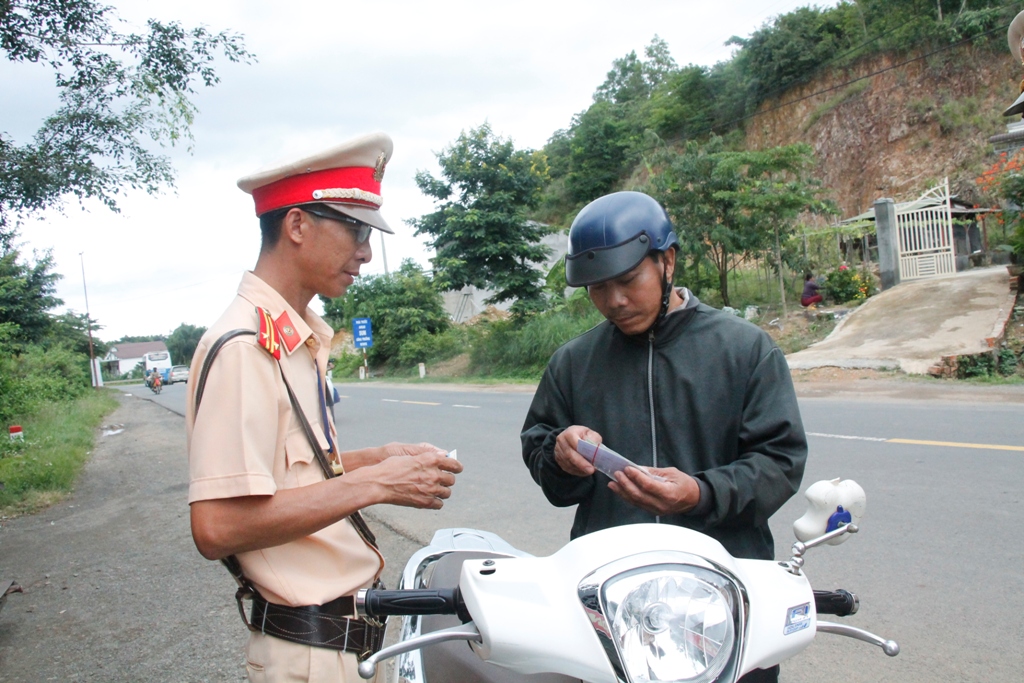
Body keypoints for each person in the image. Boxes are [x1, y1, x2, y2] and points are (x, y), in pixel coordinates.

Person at [186, 133, 463, 682]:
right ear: (297, 227)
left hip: (341, 644)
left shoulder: (295, 338)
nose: (364, 250)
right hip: (309, 651)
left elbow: (285, 476)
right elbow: (216, 526)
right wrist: (377, 486)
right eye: (356, 230)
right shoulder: (247, 347)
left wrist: (377, 460)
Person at [520, 191, 807, 683]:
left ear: (667, 260)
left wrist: (699, 493)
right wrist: (560, 455)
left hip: (725, 598)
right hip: (610, 603)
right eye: (596, 287)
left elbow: (779, 462)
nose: (614, 300)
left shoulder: (745, 350)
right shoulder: (573, 363)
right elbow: (544, 458)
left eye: (629, 280)